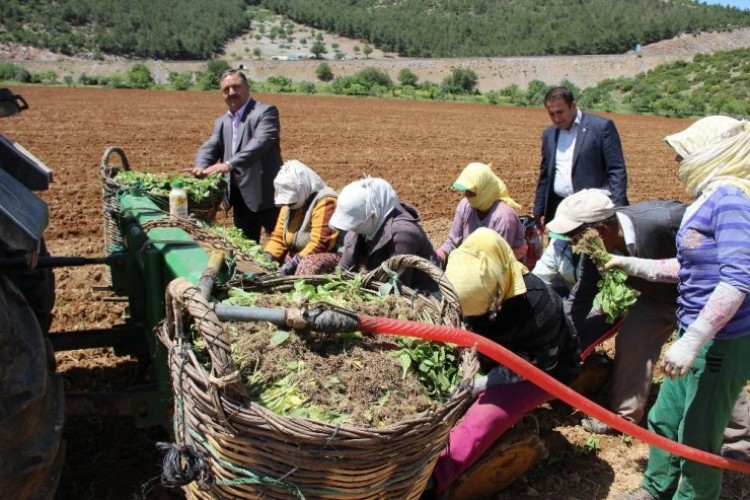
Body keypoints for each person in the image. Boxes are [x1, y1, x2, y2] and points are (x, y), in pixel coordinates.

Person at [546, 188, 750, 460]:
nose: (573, 243)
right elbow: (582, 296)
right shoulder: (594, 248)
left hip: (701, 299)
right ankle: (625, 417)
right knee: (632, 340)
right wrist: (563, 339)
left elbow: (716, 253)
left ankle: (740, 440)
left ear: (603, 228)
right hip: (656, 298)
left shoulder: (665, 220)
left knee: (708, 363)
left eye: (576, 235)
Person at [609, 116, 750, 500]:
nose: (677, 163)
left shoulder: (731, 201)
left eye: (683, 155)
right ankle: (655, 489)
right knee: (663, 419)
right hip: (695, 333)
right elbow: (688, 267)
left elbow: (737, 280)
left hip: (720, 342)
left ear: (712, 152)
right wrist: (634, 264)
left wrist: (692, 343)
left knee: (698, 440)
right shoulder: (706, 199)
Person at [428, 228, 582, 498]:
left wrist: (481, 384)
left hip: (540, 370)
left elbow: (533, 364)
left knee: (485, 416)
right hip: (493, 354)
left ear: (495, 295)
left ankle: (433, 479)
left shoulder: (538, 309)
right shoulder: (468, 278)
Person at [189, 69, 283, 243]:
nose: (231, 92)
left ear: (247, 87)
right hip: (240, 197)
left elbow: (260, 143)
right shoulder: (222, 121)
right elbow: (211, 145)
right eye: (226, 89)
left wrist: (229, 164)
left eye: (236, 87)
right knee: (247, 248)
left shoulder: (265, 112)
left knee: (281, 247)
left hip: (269, 196)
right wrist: (200, 166)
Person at [533, 86, 628, 226]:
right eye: (551, 114)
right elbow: (546, 174)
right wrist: (538, 209)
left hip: (594, 211)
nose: (557, 118)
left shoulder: (601, 127)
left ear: (573, 105)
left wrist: (618, 209)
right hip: (561, 210)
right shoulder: (549, 134)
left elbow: (617, 170)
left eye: (560, 112)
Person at [328, 177, 438, 293]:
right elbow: (344, 270)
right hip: (382, 289)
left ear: (372, 215)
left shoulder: (403, 234)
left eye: (354, 224)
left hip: (420, 297)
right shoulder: (363, 226)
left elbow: (398, 286)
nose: (351, 229)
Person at [435, 162, 528, 266]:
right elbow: (453, 241)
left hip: (501, 268)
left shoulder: (503, 217)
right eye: (465, 190)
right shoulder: (465, 206)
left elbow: (497, 261)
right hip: (474, 262)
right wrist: (439, 255)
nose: (466, 194)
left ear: (483, 189)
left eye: (470, 192)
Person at [263, 160, 340, 276]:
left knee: (307, 265)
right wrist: (267, 258)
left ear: (302, 188)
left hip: (326, 257)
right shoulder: (289, 205)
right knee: (271, 268)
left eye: (291, 202)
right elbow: (278, 237)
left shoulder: (326, 201)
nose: (288, 205)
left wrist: (294, 262)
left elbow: (321, 244)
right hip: (300, 255)